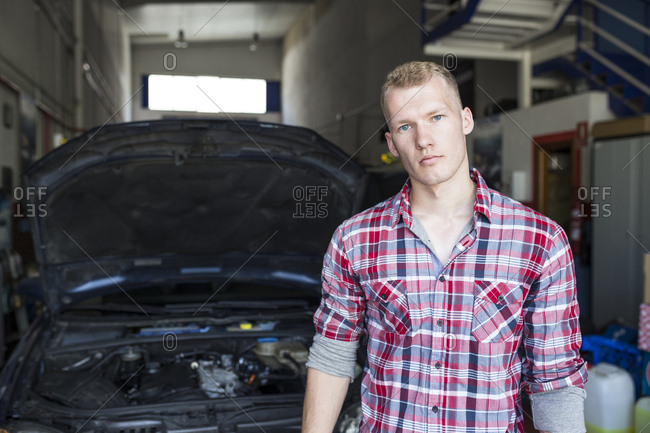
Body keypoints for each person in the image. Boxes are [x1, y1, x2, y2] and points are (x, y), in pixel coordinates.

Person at [301, 61, 587, 433]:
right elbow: (332, 355)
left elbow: (556, 380)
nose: (423, 139)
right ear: (391, 142)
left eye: (436, 117)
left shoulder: (540, 240)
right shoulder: (355, 239)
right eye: (406, 126)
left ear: (465, 120)